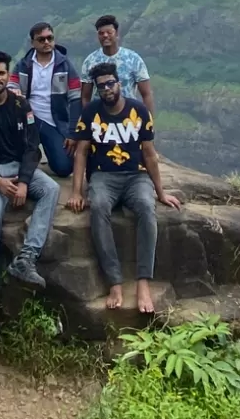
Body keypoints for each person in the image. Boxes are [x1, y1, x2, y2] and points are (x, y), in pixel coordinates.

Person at [66, 59, 182, 315]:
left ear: (119, 83)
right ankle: (115, 282)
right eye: (101, 86)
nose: (107, 89)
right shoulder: (91, 113)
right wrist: (77, 191)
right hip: (103, 177)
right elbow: (82, 153)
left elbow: (149, 155)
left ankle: (143, 282)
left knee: (145, 207)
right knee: (98, 208)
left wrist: (160, 192)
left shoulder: (138, 111)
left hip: (135, 176)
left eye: (110, 83)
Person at [0, 50, 59, 334]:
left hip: (20, 169)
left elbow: (33, 148)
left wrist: (23, 182)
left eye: (2, 73)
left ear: (9, 76)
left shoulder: (21, 105)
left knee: (51, 189)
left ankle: (26, 258)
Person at [9, 20, 83, 178]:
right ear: (33, 43)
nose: (47, 42)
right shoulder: (24, 65)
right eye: (41, 39)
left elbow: (76, 98)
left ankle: (44, 153)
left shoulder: (65, 66)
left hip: (55, 122)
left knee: (64, 168)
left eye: (50, 38)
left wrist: (72, 133)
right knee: (14, 162)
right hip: (29, 118)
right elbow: (11, 86)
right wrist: (15, 94)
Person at [80, 15, 155, 121]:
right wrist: (88, 120)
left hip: (129, 118)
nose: (105, 36)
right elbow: (85, 97)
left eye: (109, 32)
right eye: (101, 33)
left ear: (117, 33)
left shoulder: (133, 59)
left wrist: (148, 123)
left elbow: (146, 94)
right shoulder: (90, 61)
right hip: (101, 119)